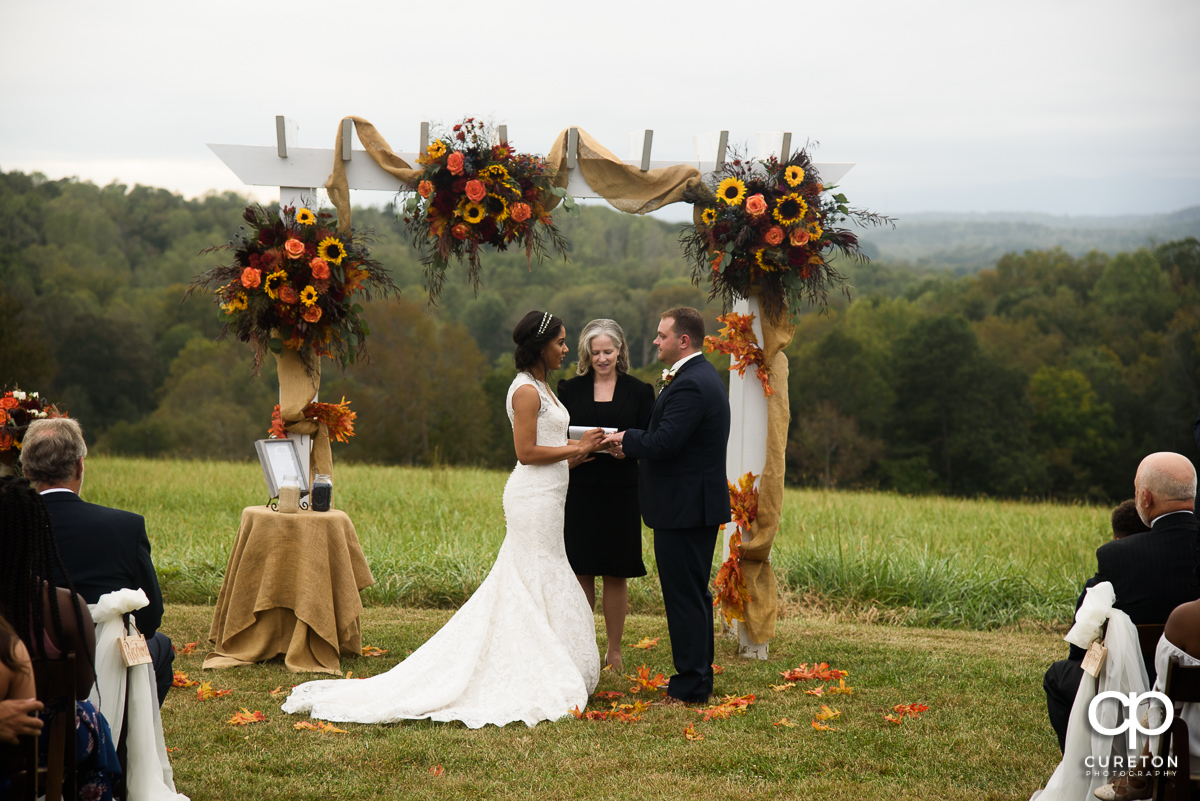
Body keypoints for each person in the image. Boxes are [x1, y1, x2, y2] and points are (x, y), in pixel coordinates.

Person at [284, 311, 610, 728]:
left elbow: (551, 451)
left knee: (542, 573)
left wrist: (589, 450)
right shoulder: (526, 392)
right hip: (530, 498)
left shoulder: (544, 385)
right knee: (527, 575)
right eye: (561, 342)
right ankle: (526, 666)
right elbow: (527, 453)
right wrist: (575, 446)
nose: (567, 349)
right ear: (540, 346)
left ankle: (547, 656)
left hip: (550, 494)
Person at [606, 307, 731, 704]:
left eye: (661, 336)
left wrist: (625, 440)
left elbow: (665, 443)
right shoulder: (696, 377)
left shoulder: (692, 384)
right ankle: (697, 678)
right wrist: (633, 437)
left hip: (686, 508)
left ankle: (692, 685)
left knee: (684, 596)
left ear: (683, 340)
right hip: (690, 506)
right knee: (692, 594)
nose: (656, 341)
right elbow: (668, 436)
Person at [1043, 452, 1200, 752]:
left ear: (1145, 498)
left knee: (1059, 676)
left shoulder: (1117, 557)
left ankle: (1084, 766)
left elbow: (1082, 639)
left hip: (1133, 688)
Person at [19, 417, 174, 707]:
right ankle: (122, 737)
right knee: (162, 646)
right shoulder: (126, 527)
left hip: (20, 662)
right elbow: (150, 619)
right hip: (102, 668)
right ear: (79, 466)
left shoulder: (10, 526)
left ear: (26, 469)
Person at [0, 476, 121, 800]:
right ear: (34, 537)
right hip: (47, 743)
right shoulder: (64, 607)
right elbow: (80, 689)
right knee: (90, 719)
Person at [558, 319, 655, 672]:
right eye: (595, 352)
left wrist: (626, 448)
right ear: (586, 353)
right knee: (582, 571)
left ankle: (614, 651)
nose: (602, 358)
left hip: (622, 490)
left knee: (616, 573)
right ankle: (584, 650)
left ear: (620, 352)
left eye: (608, 352)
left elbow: (649, 440)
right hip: (580, 489)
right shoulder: (568, 390)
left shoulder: (641, 391)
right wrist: (580, 451)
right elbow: (557, 437)